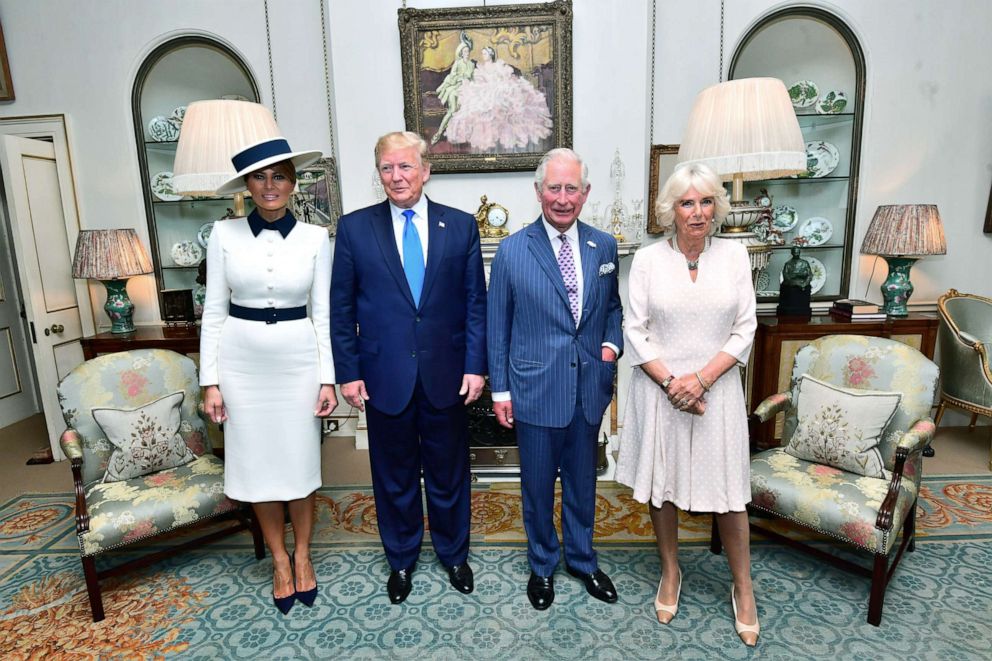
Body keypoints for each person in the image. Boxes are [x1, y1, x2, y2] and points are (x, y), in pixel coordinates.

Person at [330, 131, 487, 604]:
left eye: (405, 167)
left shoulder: (460, 227)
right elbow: (341, 309)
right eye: (386, 168)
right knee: (393, 475)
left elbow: (475, 305)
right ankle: (400, 559)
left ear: (425, 170)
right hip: (383, 378)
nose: (396, 177)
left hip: (447, 374)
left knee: (449, 472)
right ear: (378, 173)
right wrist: (348, 372)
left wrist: (476, 366)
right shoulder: (356, 228)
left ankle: (454, 554)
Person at [614, 163, 760, 646]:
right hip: (661, 392)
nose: (697, 212)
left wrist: (700, 380)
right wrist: (673, 384)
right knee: (664, 487)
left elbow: (745, 328)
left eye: (705, 201)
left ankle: (743, 588)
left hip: (716, 392)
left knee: (729, 492)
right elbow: (635, 329)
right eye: (686, 202)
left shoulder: (736, 256)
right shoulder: (649, 260)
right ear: (670, 210)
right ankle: (671, 571)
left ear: (716, 206)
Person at [200, 136, 337, 615]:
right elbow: (213, 312)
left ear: (293, 183)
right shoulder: (223, 234)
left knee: (299, 467)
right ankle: (279, 560)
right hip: (241, 365)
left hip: (298, 363)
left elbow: (323, 315)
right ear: (246, 186)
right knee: (258, 467)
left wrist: (327, 378)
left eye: (279, 175)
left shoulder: (318, 239)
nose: (270, 185)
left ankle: (303, 556)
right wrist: (210, 381)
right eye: (259, 177)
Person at [487, 148, 623, 610]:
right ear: (538, 191)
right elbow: (497, 326)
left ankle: (583, 560)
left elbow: (613, 309)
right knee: (537, 487)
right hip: (535, 389)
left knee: (584, 484)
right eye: (554, 188)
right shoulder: (512, 249)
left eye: (572, 189)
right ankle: (542, 564)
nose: (562, 198)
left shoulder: (603, 246)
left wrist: (611, 346)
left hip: (588, 388)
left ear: (585, 193)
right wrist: (500, 389)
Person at [446, 46, 553, 152]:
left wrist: (497, 85)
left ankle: (502, 143)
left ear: (490, 55)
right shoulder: (481, 67)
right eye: (483, 53)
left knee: (502, 104)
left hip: (497, 90)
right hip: (485, 91)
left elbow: (503, 77)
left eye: (485, 53)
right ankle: (486, 141)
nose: (483, 56)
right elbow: (479, 80)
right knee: (476, 109)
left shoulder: (497, 65)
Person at [432, 33, 476, 146]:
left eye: (468, 51)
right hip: (456, 88)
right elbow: (452, 76)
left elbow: (473, 78)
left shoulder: (471, 64)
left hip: (467, 89)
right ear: (461, 53)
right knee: (452, 111)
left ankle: (466, 135)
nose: (467, 53)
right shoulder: (458, 63)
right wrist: (460, 78)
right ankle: (438, 133)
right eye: (465, 51)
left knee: (472, 109)